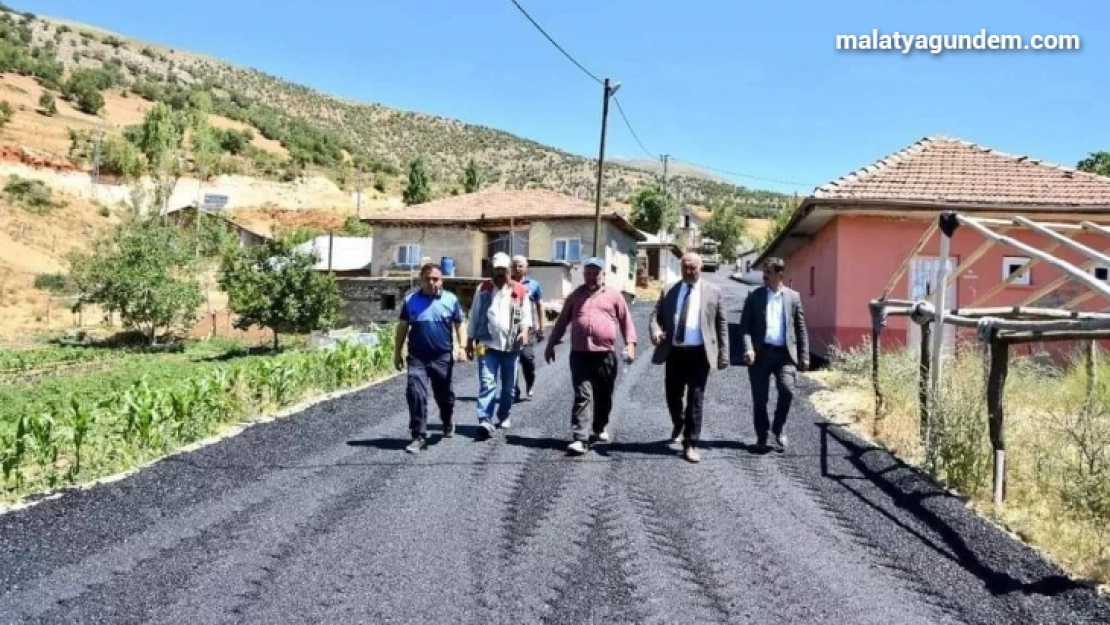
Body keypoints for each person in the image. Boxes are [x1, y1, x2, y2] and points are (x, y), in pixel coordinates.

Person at [545, 257, 637, 455]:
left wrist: (630, 344)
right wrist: (551, 343)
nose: (591, 277)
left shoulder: (614, 296)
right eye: (587, 273)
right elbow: (561, 322)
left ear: (603, 275)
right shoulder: (575, 296)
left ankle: (600, 426)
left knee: (604, 395)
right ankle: (580, 438)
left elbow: (626, 322)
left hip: (605, 354)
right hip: (579, 354)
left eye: (595, 273)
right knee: (583, 395)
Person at [649, 252, 729, 463]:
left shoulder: (714, 292)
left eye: (692, 267)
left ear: (700, 267)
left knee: (695, 398)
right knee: (672, 395)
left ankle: (691, 443)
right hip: (675, 352)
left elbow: (722, 325)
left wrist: (724, 353)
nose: (688, 271)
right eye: (685, 267)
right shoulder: (669, 290)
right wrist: (656, 331)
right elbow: (655, 316)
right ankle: (679, 422)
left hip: (700, 354)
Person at [393, 263, 468, 454]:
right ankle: (419, 435)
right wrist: (397, 352)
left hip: (442, 356)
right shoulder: (411, 301)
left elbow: (460, 324)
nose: (432, 282)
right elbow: (402, 327)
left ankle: (447, 420)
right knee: (415, 392)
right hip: (417, 357)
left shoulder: (450, 300)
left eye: (436, 278)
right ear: (421, 280)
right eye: (428, 279)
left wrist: (462, 347)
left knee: (444, 395)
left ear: (441, 280)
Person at [738, 256, 810, 452]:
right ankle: (762, 435)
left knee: (787, 390)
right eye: (764, 272)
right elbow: (744, 327)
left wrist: (804, 355)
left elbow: (800, 328)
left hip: (785, 355)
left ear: (780, 274)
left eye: (769, 273)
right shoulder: (754, 296)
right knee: (760, 398)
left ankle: (778, 428)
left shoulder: (793, 298)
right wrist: (749, 348)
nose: (765, 276)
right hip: (760, 354)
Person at [467, 252, 531, 438]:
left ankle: (504, 414)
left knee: (509, 386)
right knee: (487, 383)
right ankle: (485, 419)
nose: (501, 274)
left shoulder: (519, 290)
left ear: (509, 271)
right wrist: (469, 342)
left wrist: (524, 333)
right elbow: (474, 314)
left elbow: (526, 317)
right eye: (497, 271)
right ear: (492, 271)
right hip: (486, 345)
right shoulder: (483, 289)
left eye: (504, 270)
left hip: (511, 347)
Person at [511, 255, 545, 402]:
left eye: (520, 266)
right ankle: (515, 390)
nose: (518, 269)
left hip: (528, 328)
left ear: (526, 267)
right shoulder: (507, 283)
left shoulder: (533, 285)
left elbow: (540, 305)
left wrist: (541, 326)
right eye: (515, 266)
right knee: (511, 360)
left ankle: (530, 383)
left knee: (526, 358)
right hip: (510, 328)